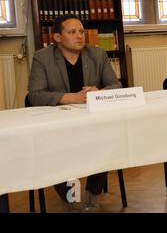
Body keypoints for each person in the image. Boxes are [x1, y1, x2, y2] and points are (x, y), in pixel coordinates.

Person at [28, 14, 122, 212]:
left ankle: (93, 195)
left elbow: (116, 85)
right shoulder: (42, 57)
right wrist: (73, 97)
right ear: (57, 38)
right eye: (72, 32)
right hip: (57, 123)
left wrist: (100, 93)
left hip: (91, 120)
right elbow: (35, 95)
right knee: (54, 149)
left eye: (81, 31)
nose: (80, 36)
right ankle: (70, 196)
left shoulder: (97, 54)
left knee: (106, 140)